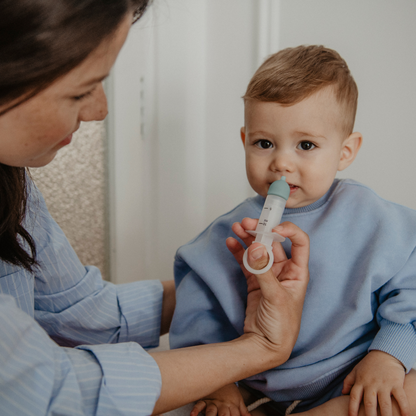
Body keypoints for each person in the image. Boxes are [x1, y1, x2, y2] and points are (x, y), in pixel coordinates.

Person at [0, 1, 311, 415]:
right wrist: (260, 349)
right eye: (80, 90)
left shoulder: (12, 183)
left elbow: (79, 311)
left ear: (348, 149)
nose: (100, 111)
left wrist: (223, 284)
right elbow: (50, 393)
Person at [169, 45, 416, 416]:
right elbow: (196, 321)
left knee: (405, 396)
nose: (281, 162)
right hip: (258, 386)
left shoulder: (375, 219)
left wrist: (388, 354)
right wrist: (219, 387)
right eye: (264, 143)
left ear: (346, 151)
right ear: (244, 140)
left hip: (354, 377)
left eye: (306, 145)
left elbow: (410, 290)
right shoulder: (226, 237)